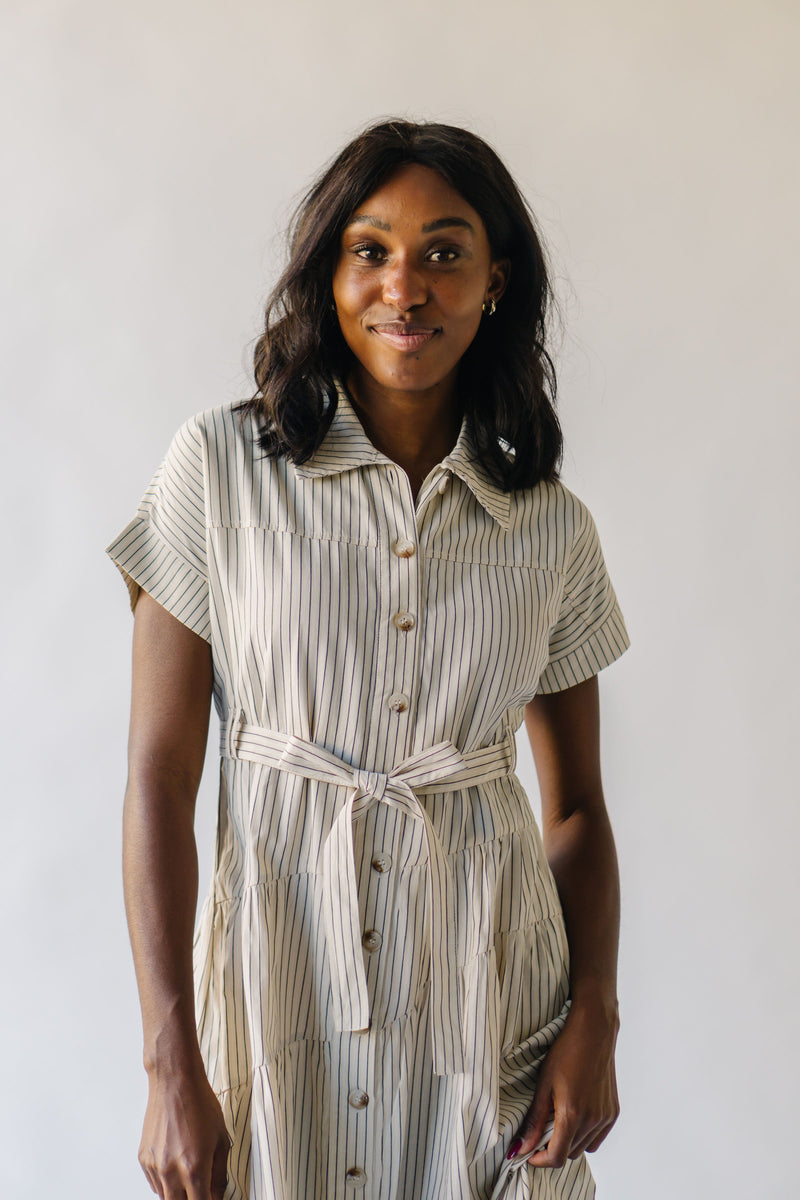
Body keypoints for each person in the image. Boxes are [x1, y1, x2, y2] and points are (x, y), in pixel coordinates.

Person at [108, 119, 630, 1200]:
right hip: (272, 991)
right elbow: (158, 781)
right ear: (327, 275)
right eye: (370, 249)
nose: (407, 285)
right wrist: (168, 1061)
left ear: (495, 283)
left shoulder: (550, 527)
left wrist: (595, 1020)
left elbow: (574, 806)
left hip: (487, 1008)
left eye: (445, 251)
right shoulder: (215, 471)